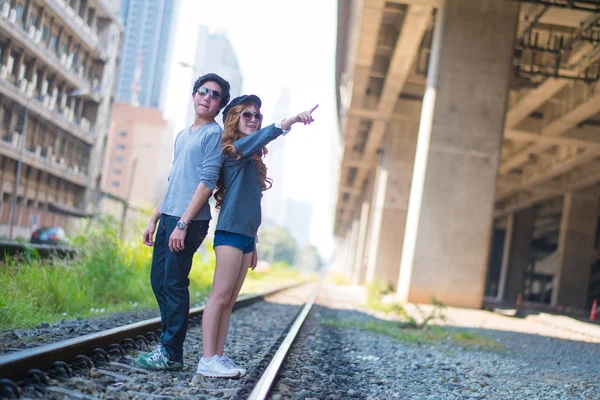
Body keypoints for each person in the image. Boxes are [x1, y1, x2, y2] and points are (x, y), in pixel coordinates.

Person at [195, 94, 317, 378]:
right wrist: (293, 120)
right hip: (229, 234)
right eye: (246, 115)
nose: (253, 119)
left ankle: (218, 356)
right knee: (219, 297)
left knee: (230, 300)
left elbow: (250, 204)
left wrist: (255, 243)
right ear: (234, 119)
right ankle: (206, 358)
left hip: (246, 236)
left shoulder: (251, 160)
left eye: (257, 116)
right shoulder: (234, 151)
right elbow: (266, 136)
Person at [134, 73, 231, 371]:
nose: (207, 97)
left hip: (188, 221)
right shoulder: (184, 134)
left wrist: (183, 223)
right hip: (170, 216)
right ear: (193, 96)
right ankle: (168, 343)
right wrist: (155, 217)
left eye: (215, 95)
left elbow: (207, 182)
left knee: (174, 284)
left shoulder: (213, 135)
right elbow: (174, 180)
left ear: (219, 105)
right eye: (203, 91)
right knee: (159, 281)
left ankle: (171, 352)